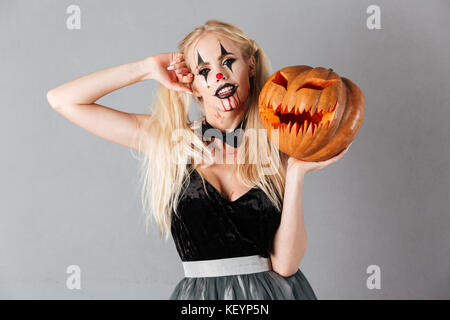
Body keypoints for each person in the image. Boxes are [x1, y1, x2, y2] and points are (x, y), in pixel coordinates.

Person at [46, 19, 349, 300]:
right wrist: (147, 67)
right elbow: (63, 100)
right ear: (192, 86)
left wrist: (295, 172)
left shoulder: (278, 144)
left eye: (228, 61)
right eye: (204, 71)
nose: (219, 75)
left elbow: (285, 265)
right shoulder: (173, 142)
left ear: (251, 66)